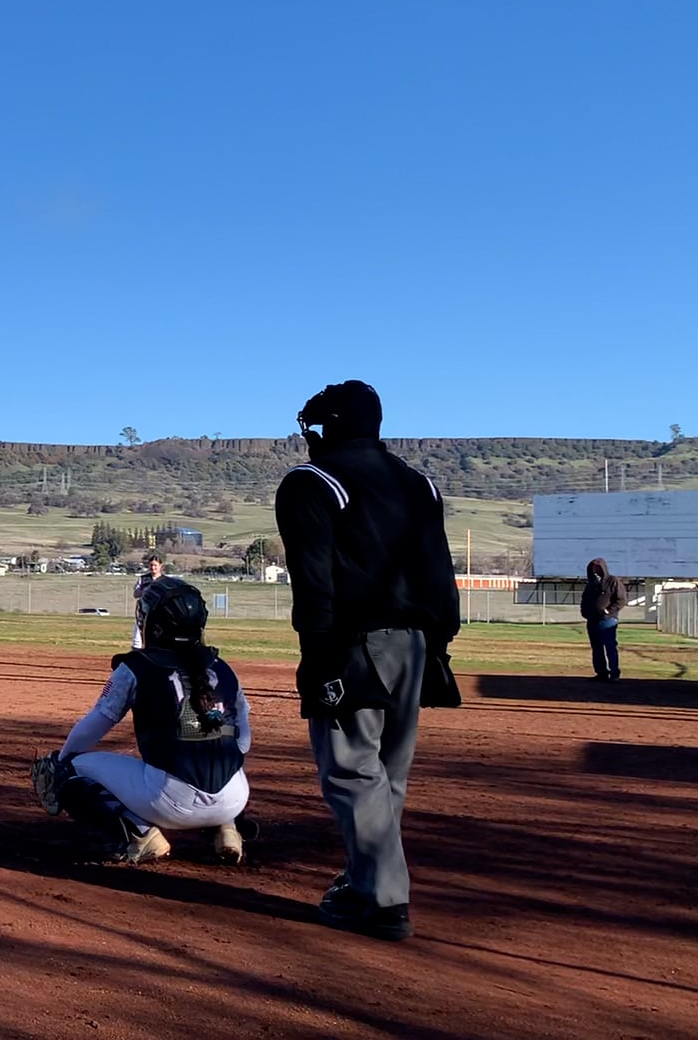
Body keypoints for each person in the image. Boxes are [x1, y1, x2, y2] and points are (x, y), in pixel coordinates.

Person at [275, 380, 460, 942]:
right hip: (417, 643)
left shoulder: (312, 481)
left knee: (353, 769)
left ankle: (380, 899)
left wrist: (318, 656)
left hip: (354, 642)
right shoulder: (419, 483)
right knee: (387, 774)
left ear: (330, 427)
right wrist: (438, 645)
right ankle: (367, 879)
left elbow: (314, 580)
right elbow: (440, 570)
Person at [29, 577, 253, 864]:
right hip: (235, 799)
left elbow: (94, 725)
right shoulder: (222, 668)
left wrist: (63, 759)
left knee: (71, 771)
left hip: (171, 803)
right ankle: (227, 828)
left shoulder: (136, 667)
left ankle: (141, 835)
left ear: (154, 624)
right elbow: (243, 742)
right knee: (216, 753)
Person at [582, 558, 624, 682]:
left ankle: (614, 673)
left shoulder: (613, 581)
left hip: (607, 620)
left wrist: (608, 611)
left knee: (610, 646)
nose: (595, 571)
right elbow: (584, 599)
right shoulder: (590, 584)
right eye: (593, 568)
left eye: (597, 568)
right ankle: (601, 673)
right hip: (592, 620)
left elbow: (621, 599)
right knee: (596, 648)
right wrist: (584, 611)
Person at [130, 555, 164, 649]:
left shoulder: (165, 581)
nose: (153, 567)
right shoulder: (143, 579)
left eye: (155, 565)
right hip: (143, 613)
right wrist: (144, 591)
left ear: (160, 566)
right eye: (151, 565)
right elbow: (136, 594)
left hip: (159, 614)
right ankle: (136, 654)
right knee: (138, 638)